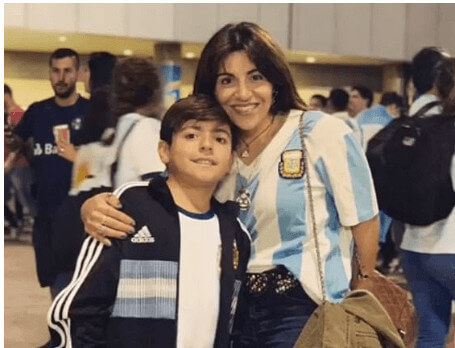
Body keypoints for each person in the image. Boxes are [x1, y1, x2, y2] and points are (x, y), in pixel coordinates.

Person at [80, 22, 379, 347]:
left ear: (274, 81)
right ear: (212, 88)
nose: (243, 93)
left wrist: (359, 301)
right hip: (231, 306)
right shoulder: (218, 145)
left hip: (304, 306)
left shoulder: (320, 133)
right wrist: (93, 205)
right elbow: (167, 189)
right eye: (227, 80)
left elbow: (364, 219)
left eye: (256, 77)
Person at [47, 95, 251, 348]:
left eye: (220, 138)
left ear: (231, 160)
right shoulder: (131, 207)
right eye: (191, 135)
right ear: (164, 151)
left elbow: (236, 324)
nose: (206, 145)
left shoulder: (235, 234)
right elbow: (80, 309)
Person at [8, 48, 89, 298]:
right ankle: (60, 334)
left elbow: (106, 160)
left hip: (82, 213)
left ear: (77, 73)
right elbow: (16, 142)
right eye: (56, 71)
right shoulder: (37, 111)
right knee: (54, 279)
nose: (61, 77)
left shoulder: (91, 112)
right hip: (47, 213)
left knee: (80, 281)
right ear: (49, 74)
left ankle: (73, 335)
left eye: (67, 71)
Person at [399, 47, 455, 348]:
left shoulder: (416, 120)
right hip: (450, 247)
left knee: (431, 333)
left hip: (413, 246)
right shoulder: (450, 131)